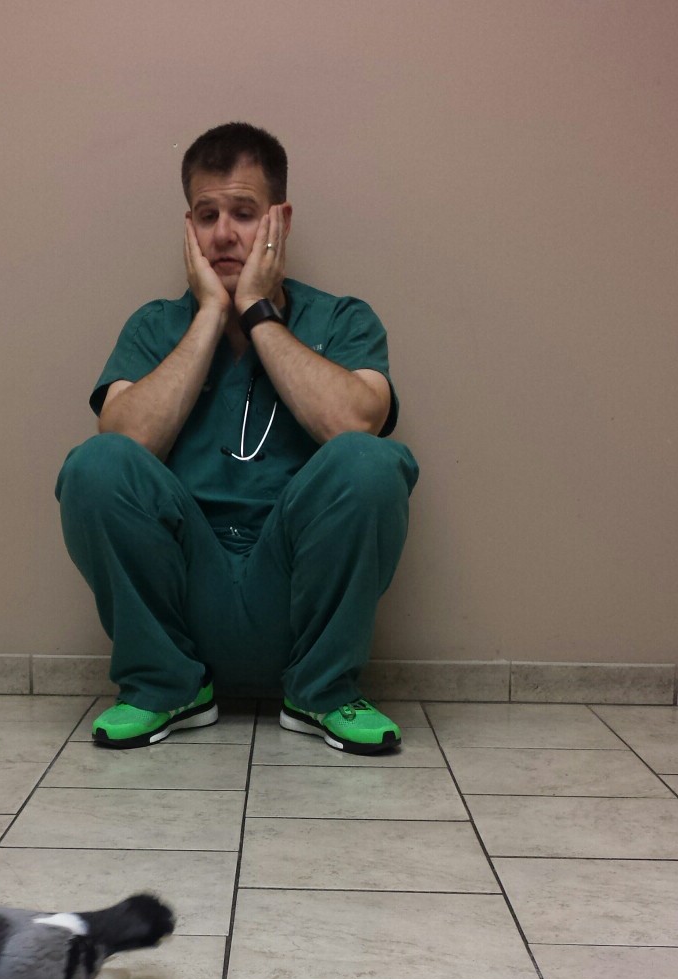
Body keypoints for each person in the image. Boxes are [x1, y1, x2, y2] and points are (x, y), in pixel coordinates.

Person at [56, 122, 419, 754]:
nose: (224, 233)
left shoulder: (343, 319)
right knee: (94, 463)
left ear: (280, 220)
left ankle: (323, 691)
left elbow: (356, 423)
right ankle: (162, 688)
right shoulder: (154, 326)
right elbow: (121, 442)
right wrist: (208, 317)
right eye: (207, 215)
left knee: (370, 460)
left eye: (245, 213)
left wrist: (257, 313)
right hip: (186, 596)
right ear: (188, 227)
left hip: (296, 591)